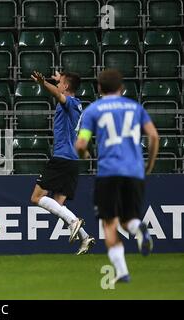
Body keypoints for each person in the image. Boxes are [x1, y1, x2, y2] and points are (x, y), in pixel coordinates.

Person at [76, 69, 159, 283]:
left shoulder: (93, 110)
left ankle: (121, 271)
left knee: (109, 223)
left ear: (99, 88)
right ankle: (138, 228)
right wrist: (148, 164)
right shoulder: (135, 107)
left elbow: (81, 142)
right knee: (128, 218)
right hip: (134, 172)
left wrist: (84, 154)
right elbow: (153, 136)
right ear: (121, 88)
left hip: (109, 173)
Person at [30, 70, 95, 255]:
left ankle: (75, 222)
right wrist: (59, 80)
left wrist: (44, 83)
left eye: (61, 83)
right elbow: (61, 91)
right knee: (58, 205)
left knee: (36, 197)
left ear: (66, 87)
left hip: (62, 158)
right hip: (71, 161)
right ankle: (85, 237)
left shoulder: (71, 102)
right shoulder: (77, 104)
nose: (57, 84)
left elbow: (59, 94)